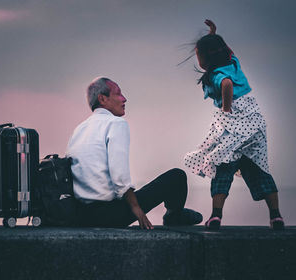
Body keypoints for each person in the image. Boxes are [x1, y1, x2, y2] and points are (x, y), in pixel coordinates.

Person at [184, 20, 284, 230]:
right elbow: (227, 50)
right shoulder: (233, 62)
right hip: (254, 124)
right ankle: (275, 215)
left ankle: (216, 216)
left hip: (235, 124)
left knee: (223, 167)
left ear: (206, 58)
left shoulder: (217, 74)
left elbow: (226, 84)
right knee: (258, 168)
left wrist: (226, 109)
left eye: (198, 54)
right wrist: (214, 34)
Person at [66, 77, 202, 229]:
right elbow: (119, 175)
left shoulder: (79, 129)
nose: (124, 98)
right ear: (102, 99)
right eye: (118, 94)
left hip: (82, 215)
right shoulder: (116, 123)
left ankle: (176, 214)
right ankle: (174, 216)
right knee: (176, 177)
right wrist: (137, 209)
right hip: (109, 215)